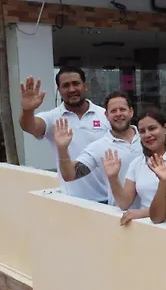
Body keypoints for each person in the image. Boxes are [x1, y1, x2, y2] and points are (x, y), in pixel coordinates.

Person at [19, 67, 110, 201]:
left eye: (76, 83)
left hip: (110, 199)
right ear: (59, 90)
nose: (72, 89)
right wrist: (27, 111)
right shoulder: (52, 117)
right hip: (72, 201)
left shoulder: (104, 115)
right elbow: (30, 126)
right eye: (66, 85)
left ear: (85, 86)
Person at [101, 108, 166, 225]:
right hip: (145, 227)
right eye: (142, 131)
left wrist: (141, 213)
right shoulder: (137, 163)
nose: (147, 135)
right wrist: (113, 178)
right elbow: (124, 203)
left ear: (165, 128)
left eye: (152, 128)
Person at [54, 91, 142, 209]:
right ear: (106, 115)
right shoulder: (99, 147)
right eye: (113, 111)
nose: (118, 114)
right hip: (121, 213)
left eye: (122, 109)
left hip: (156, 214)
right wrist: (62, 149)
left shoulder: (147, 139)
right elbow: (69, 175)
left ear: (131, 112)